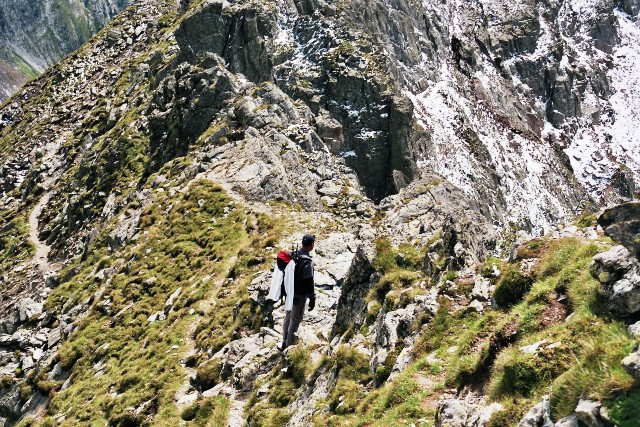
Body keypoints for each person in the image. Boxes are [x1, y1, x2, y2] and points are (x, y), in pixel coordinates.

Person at [281, 234, 316, 350]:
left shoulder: (293, 256)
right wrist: (312, 298)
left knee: (288, 316)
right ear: (311, 245)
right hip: (299, 295)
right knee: (295, 319)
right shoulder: (307, 261)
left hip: (289, 292)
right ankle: (289, 346)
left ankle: (284, 340)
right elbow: (308, 280)